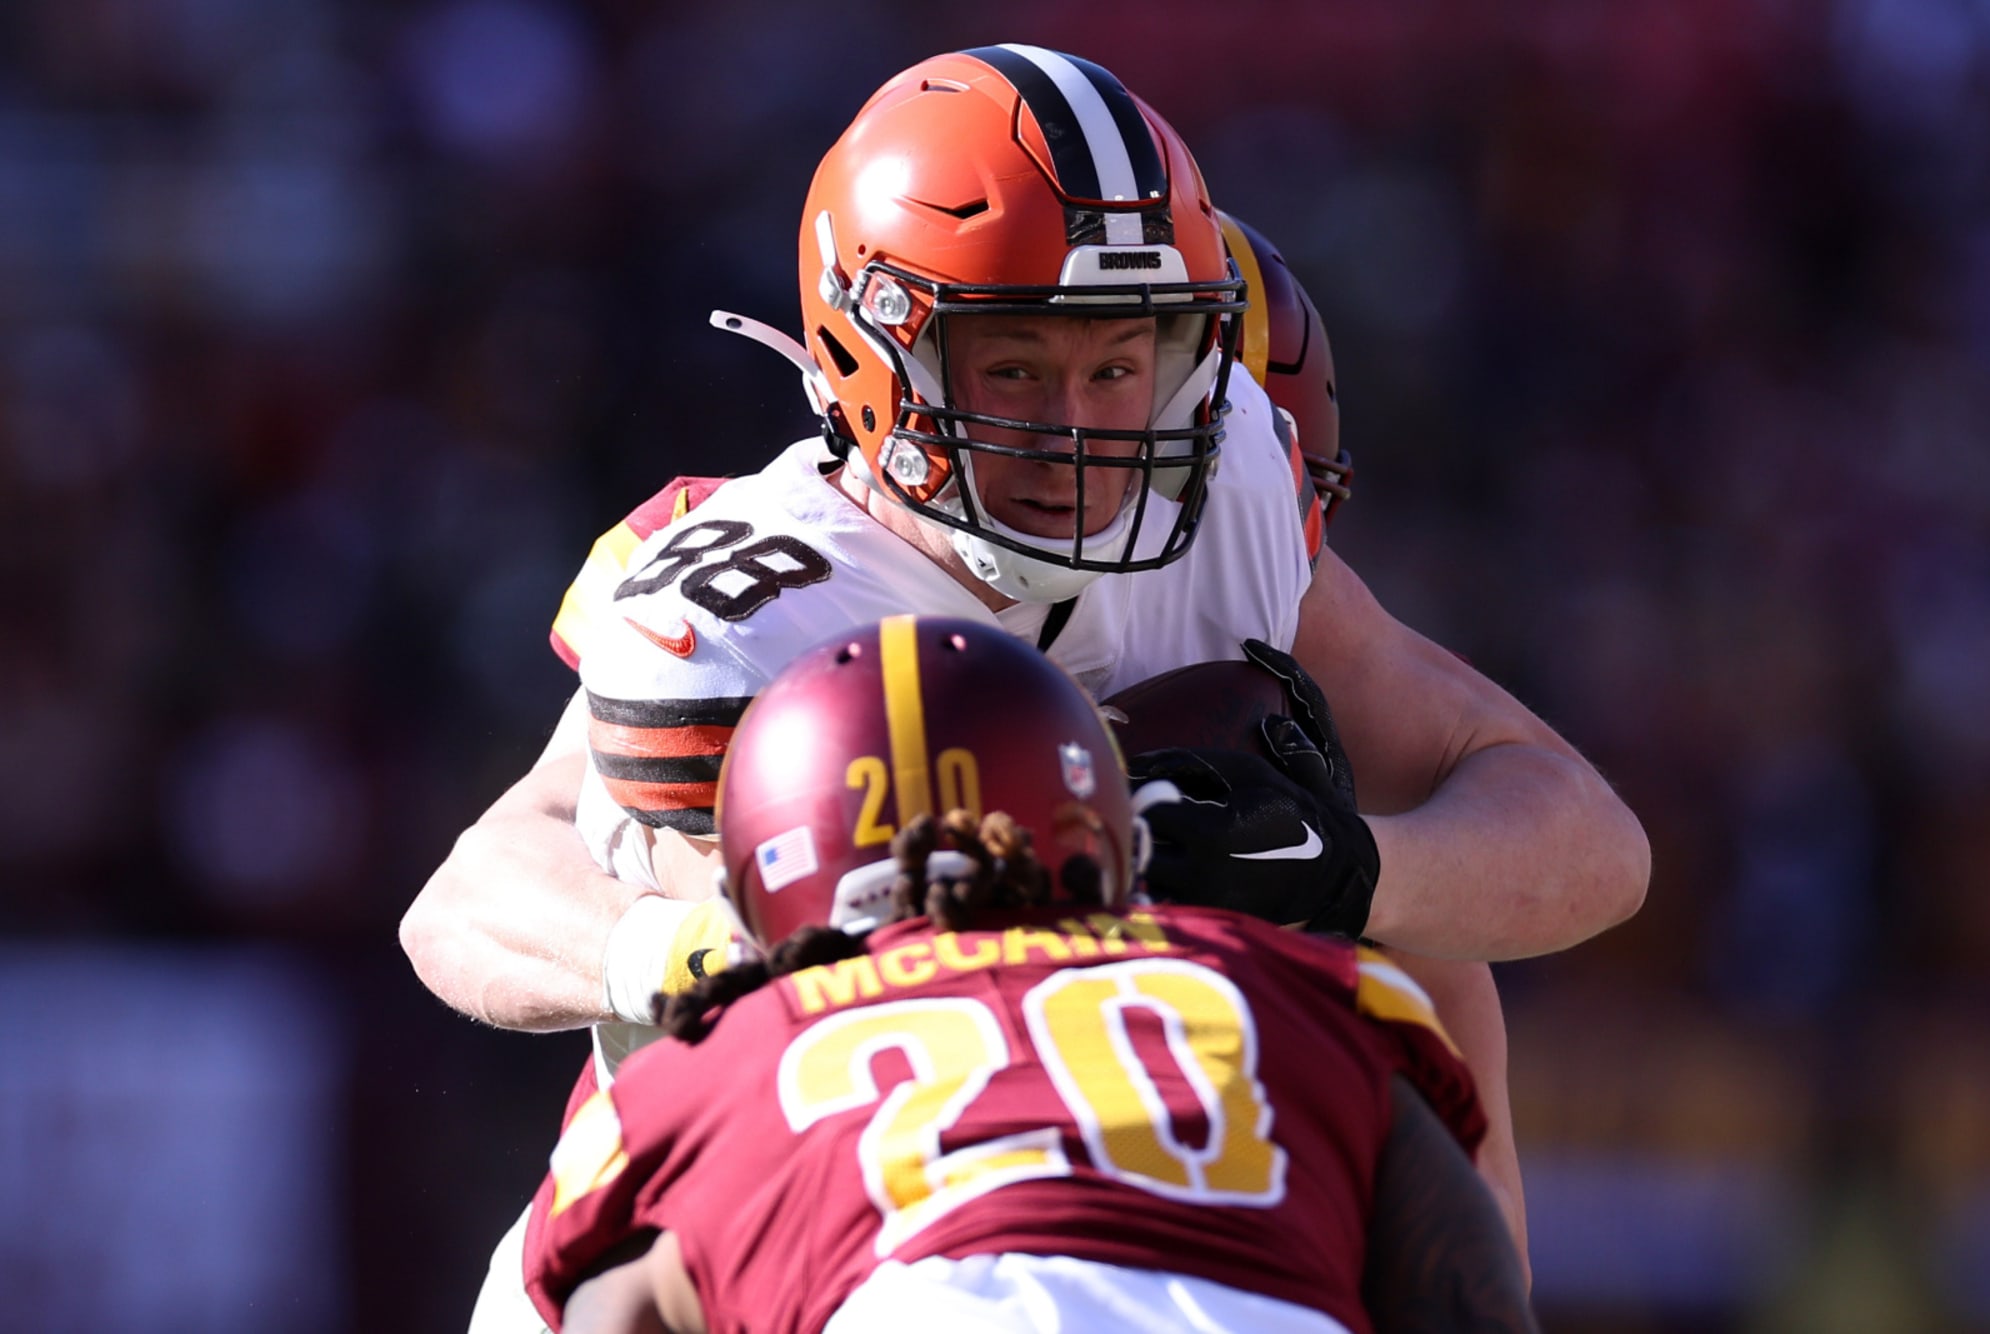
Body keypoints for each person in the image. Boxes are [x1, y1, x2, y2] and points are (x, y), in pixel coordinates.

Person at [402, 42, 1648, 1323]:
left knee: (1421, 959)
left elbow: (1587, 839)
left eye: (1119, 366)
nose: (1080, 431)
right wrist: (704, 947)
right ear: (869, 348)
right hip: (749, 1228)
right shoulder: (750, 604)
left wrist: (1346, 866)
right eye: (1015, 368)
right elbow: (467, 898)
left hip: (1111, 1168)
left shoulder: (1220, 493)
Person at [522, 615, 1538, 1333]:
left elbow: (616, 1312)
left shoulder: (705, 1071)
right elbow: (1468, 1298)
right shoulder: (1293, 990)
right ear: (1101, 825)